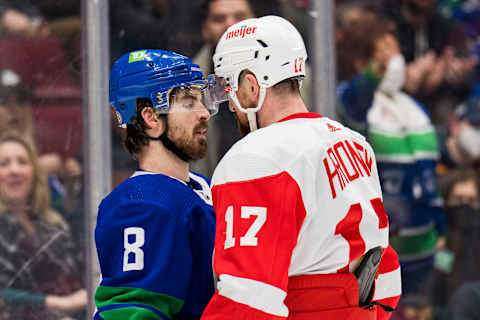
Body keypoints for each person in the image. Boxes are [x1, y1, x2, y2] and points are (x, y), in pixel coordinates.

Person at [201, 16, 401, 320]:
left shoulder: (255, 158)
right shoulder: (353, 143)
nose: (230, 104)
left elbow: (248, 301)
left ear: (252, 85)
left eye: (231, 87)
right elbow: (385, 277)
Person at [94, 49, 219, 319]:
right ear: (151, 118)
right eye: (188, 103)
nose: (204, 113)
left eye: (201, 101)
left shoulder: (202, 187)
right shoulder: (141, 204)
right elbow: (133, 311)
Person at [0, 132, 87, 319]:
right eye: (4, 164)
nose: (14, 170)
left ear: (34, 173)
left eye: (22, 162)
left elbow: (83, 276)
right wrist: (58, 304)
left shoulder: (55, 224)